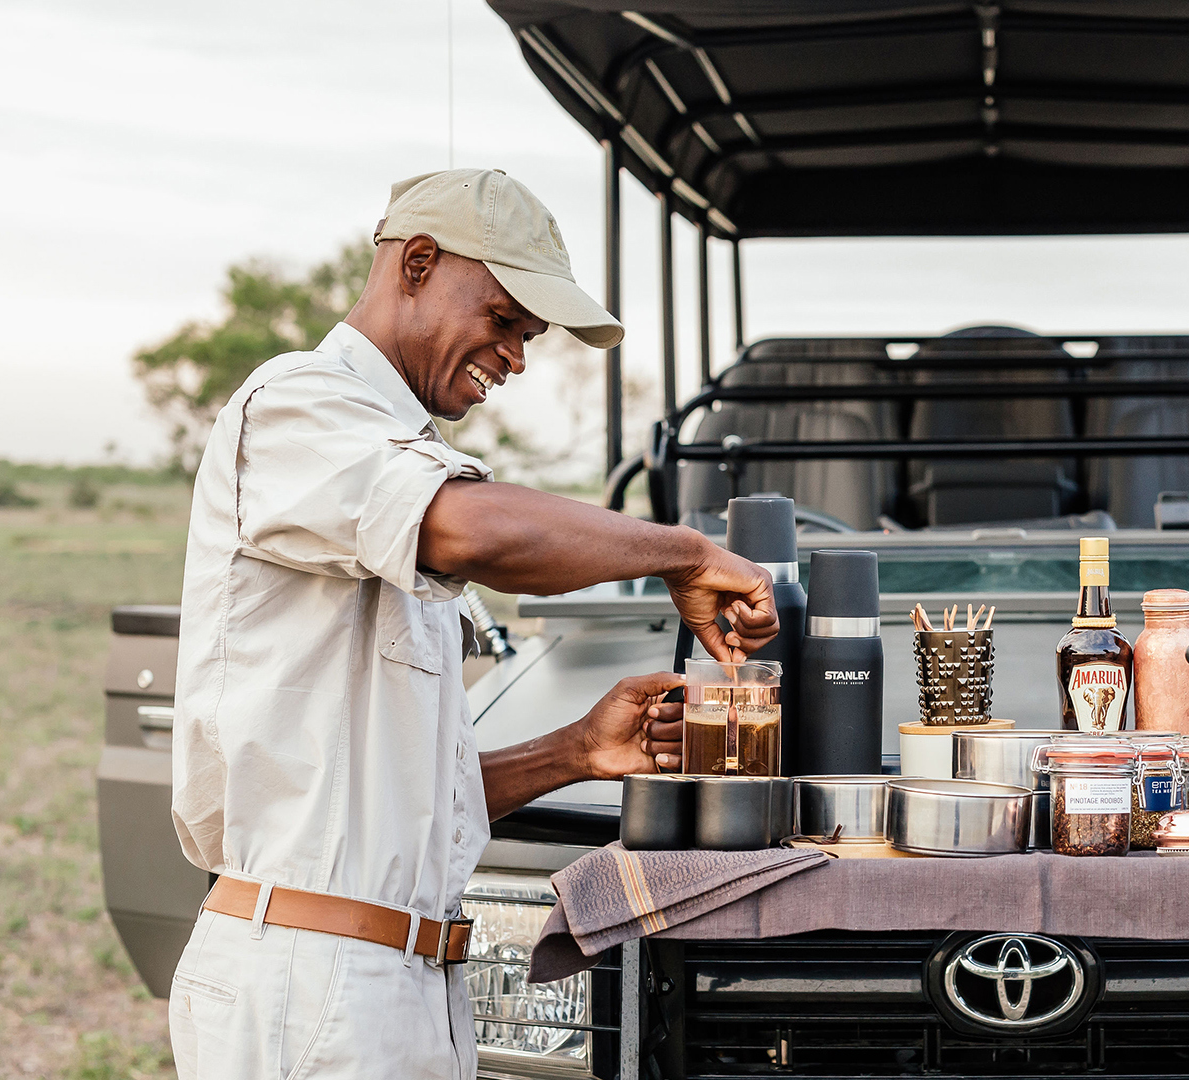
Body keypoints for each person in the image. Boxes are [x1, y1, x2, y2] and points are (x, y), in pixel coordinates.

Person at [165, 169, 780, 1079]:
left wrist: (573, 751)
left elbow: (397, 808)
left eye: (529, 336)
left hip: (406, 982)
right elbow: (472, 527)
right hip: (310, 982)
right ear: (416, 263)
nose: (518, 358)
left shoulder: (396, 448)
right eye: (504, 322)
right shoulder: (298, 404)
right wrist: (685, 551)